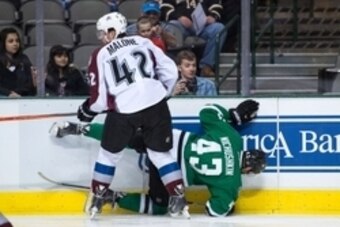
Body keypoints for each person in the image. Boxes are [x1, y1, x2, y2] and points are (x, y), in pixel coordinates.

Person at [51, 99, 265, 216]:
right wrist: (228, 205)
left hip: (167, 140)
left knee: (122, 137)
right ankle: (113, 197)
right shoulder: (231, 184)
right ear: (248, 170)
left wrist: (233, 116)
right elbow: (214, 210)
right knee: (159, 207)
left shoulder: (233, 137)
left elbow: (207, 112)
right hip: (170, 176)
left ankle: (79, 128)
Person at [76, 12, 189, 218]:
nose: (101, 38)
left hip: (125, 111)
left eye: (103, 33)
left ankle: (98, 200)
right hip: (156, 106)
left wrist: (87, 111)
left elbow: (100, 99)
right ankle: (179, 199)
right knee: (160, 154)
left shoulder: (100, 54)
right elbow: (171, 71)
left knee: (109, 155)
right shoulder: (142, 41)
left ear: (113, 31)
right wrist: (162, 93)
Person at [160, 0, 226, 77]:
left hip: (203, 26)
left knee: (219, 28)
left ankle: (206, 66)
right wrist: (179, 17)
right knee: (172, 26)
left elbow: (216, 6)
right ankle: (175, 67)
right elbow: (165, 8)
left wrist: (213, 16)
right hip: (181, 25)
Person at [0, 27, 36, 97]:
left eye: (17, 41)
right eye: (11, 41)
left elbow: (30, 83)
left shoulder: (24, 58)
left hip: (23, 98)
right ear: (3, 43)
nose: (15, 44)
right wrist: (8, 93)